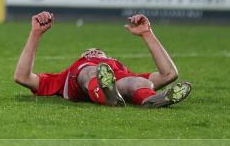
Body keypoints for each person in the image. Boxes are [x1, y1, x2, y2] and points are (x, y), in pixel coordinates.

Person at [13, 11, 192, 108]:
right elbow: (22, 77)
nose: (93, 51)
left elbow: (169, 74)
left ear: (110, 58)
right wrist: (35, 33)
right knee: (89, 72)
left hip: (115, 80)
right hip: (84, 80)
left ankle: (150, 100)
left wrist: (147, 33)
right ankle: (108, 95)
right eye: (88, 52)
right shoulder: (65, 76)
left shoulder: (120, 69)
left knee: (137, 82)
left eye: (98, 51)